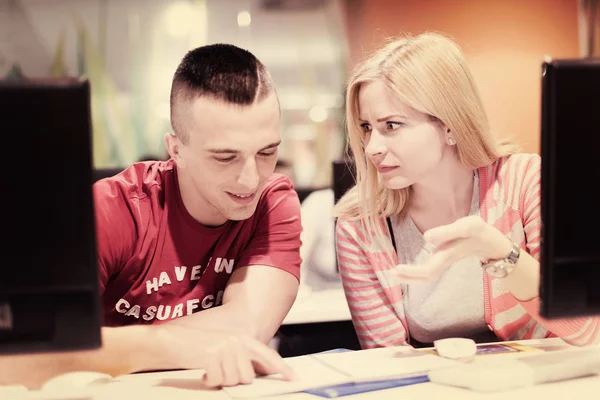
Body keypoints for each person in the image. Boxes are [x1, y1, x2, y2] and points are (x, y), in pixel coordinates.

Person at [1, 44, 301, 388]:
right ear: (176, 150)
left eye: (267, 152)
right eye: (224, 157)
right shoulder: (113, 210)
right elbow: (23, 355)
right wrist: (163, 343)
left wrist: (111, 347)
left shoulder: (272, 201)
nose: (251, 179)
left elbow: (246, 328)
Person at [333, 32, 600, 350]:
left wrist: (500, 251)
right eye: (366, 127)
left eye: (391, 125)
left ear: (449, 125)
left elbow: (585, 330)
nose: (372, 147)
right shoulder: (359, 224)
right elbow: (387, 362)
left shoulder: (526, 182)